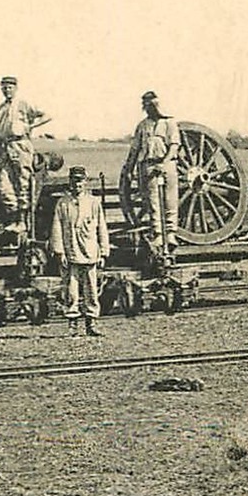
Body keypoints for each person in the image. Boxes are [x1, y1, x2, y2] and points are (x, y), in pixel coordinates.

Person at [51, 165, 110, 337]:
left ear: (85, 182)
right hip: (71, 252)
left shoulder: (93, 202)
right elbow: (57, 228)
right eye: (74, 181)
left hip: (90, 251)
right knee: (71, 290)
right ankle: (73, 324)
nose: (77, 185)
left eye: (80, 181)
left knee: (92, 289)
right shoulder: (63, 203)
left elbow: (102, 228)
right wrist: (60, 252)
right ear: (70, 182)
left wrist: (104, 251)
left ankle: (91, 323)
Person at [123, 91, 181, 257]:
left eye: (151, 105)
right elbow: (135, 149)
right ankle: (157, 234)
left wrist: (165, 163)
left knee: (170, 200)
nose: (148, 109)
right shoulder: (142, 126)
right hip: (148, 165)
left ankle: (170, 234)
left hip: (167, 164)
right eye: (146, 106)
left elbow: (174, 145)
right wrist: (129, 169)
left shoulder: (169, 123)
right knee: (152, 202)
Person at [0, 77, 50, 234]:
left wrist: (29, 126)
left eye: (10, 87)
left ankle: (23, 221)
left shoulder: (23, 103)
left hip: (20, 144)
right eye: (4, 87)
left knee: (23, 183)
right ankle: (13, 219)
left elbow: (46, 115)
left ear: (15, 88)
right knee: (4, 184)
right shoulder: (0, 108)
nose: (7, 90)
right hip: (5, 147)